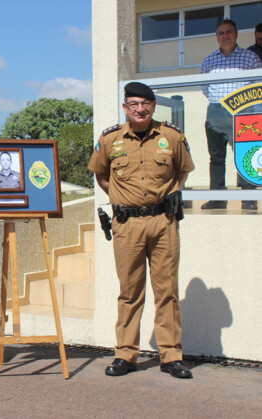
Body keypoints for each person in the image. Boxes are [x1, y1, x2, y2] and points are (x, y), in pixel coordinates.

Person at [88, 82, 195, 379]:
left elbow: (184, 169)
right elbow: (101, 174)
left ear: (153, 106)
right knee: (129, 292)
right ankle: (125, 355)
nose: (140, 109)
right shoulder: (110, 139)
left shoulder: (171, 136)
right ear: (125, 107)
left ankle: (171, 356)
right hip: (127, 224)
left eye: (146, 103)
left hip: (164, 222)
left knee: (167, 292)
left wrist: (173, 189)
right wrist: (123, 199)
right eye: (134, 104)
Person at [200, 18, 262, 210]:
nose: (225, 36)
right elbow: (205, 88)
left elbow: (258, 86)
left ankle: (248, 198)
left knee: (245, 154)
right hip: (216, 111)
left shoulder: (250, 58)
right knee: (216, 157)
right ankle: (218, 197)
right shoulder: (209, 60)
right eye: (221, 33)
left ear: (235, 34)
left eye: (228, 32)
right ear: (217, 37)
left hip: (243, 112)